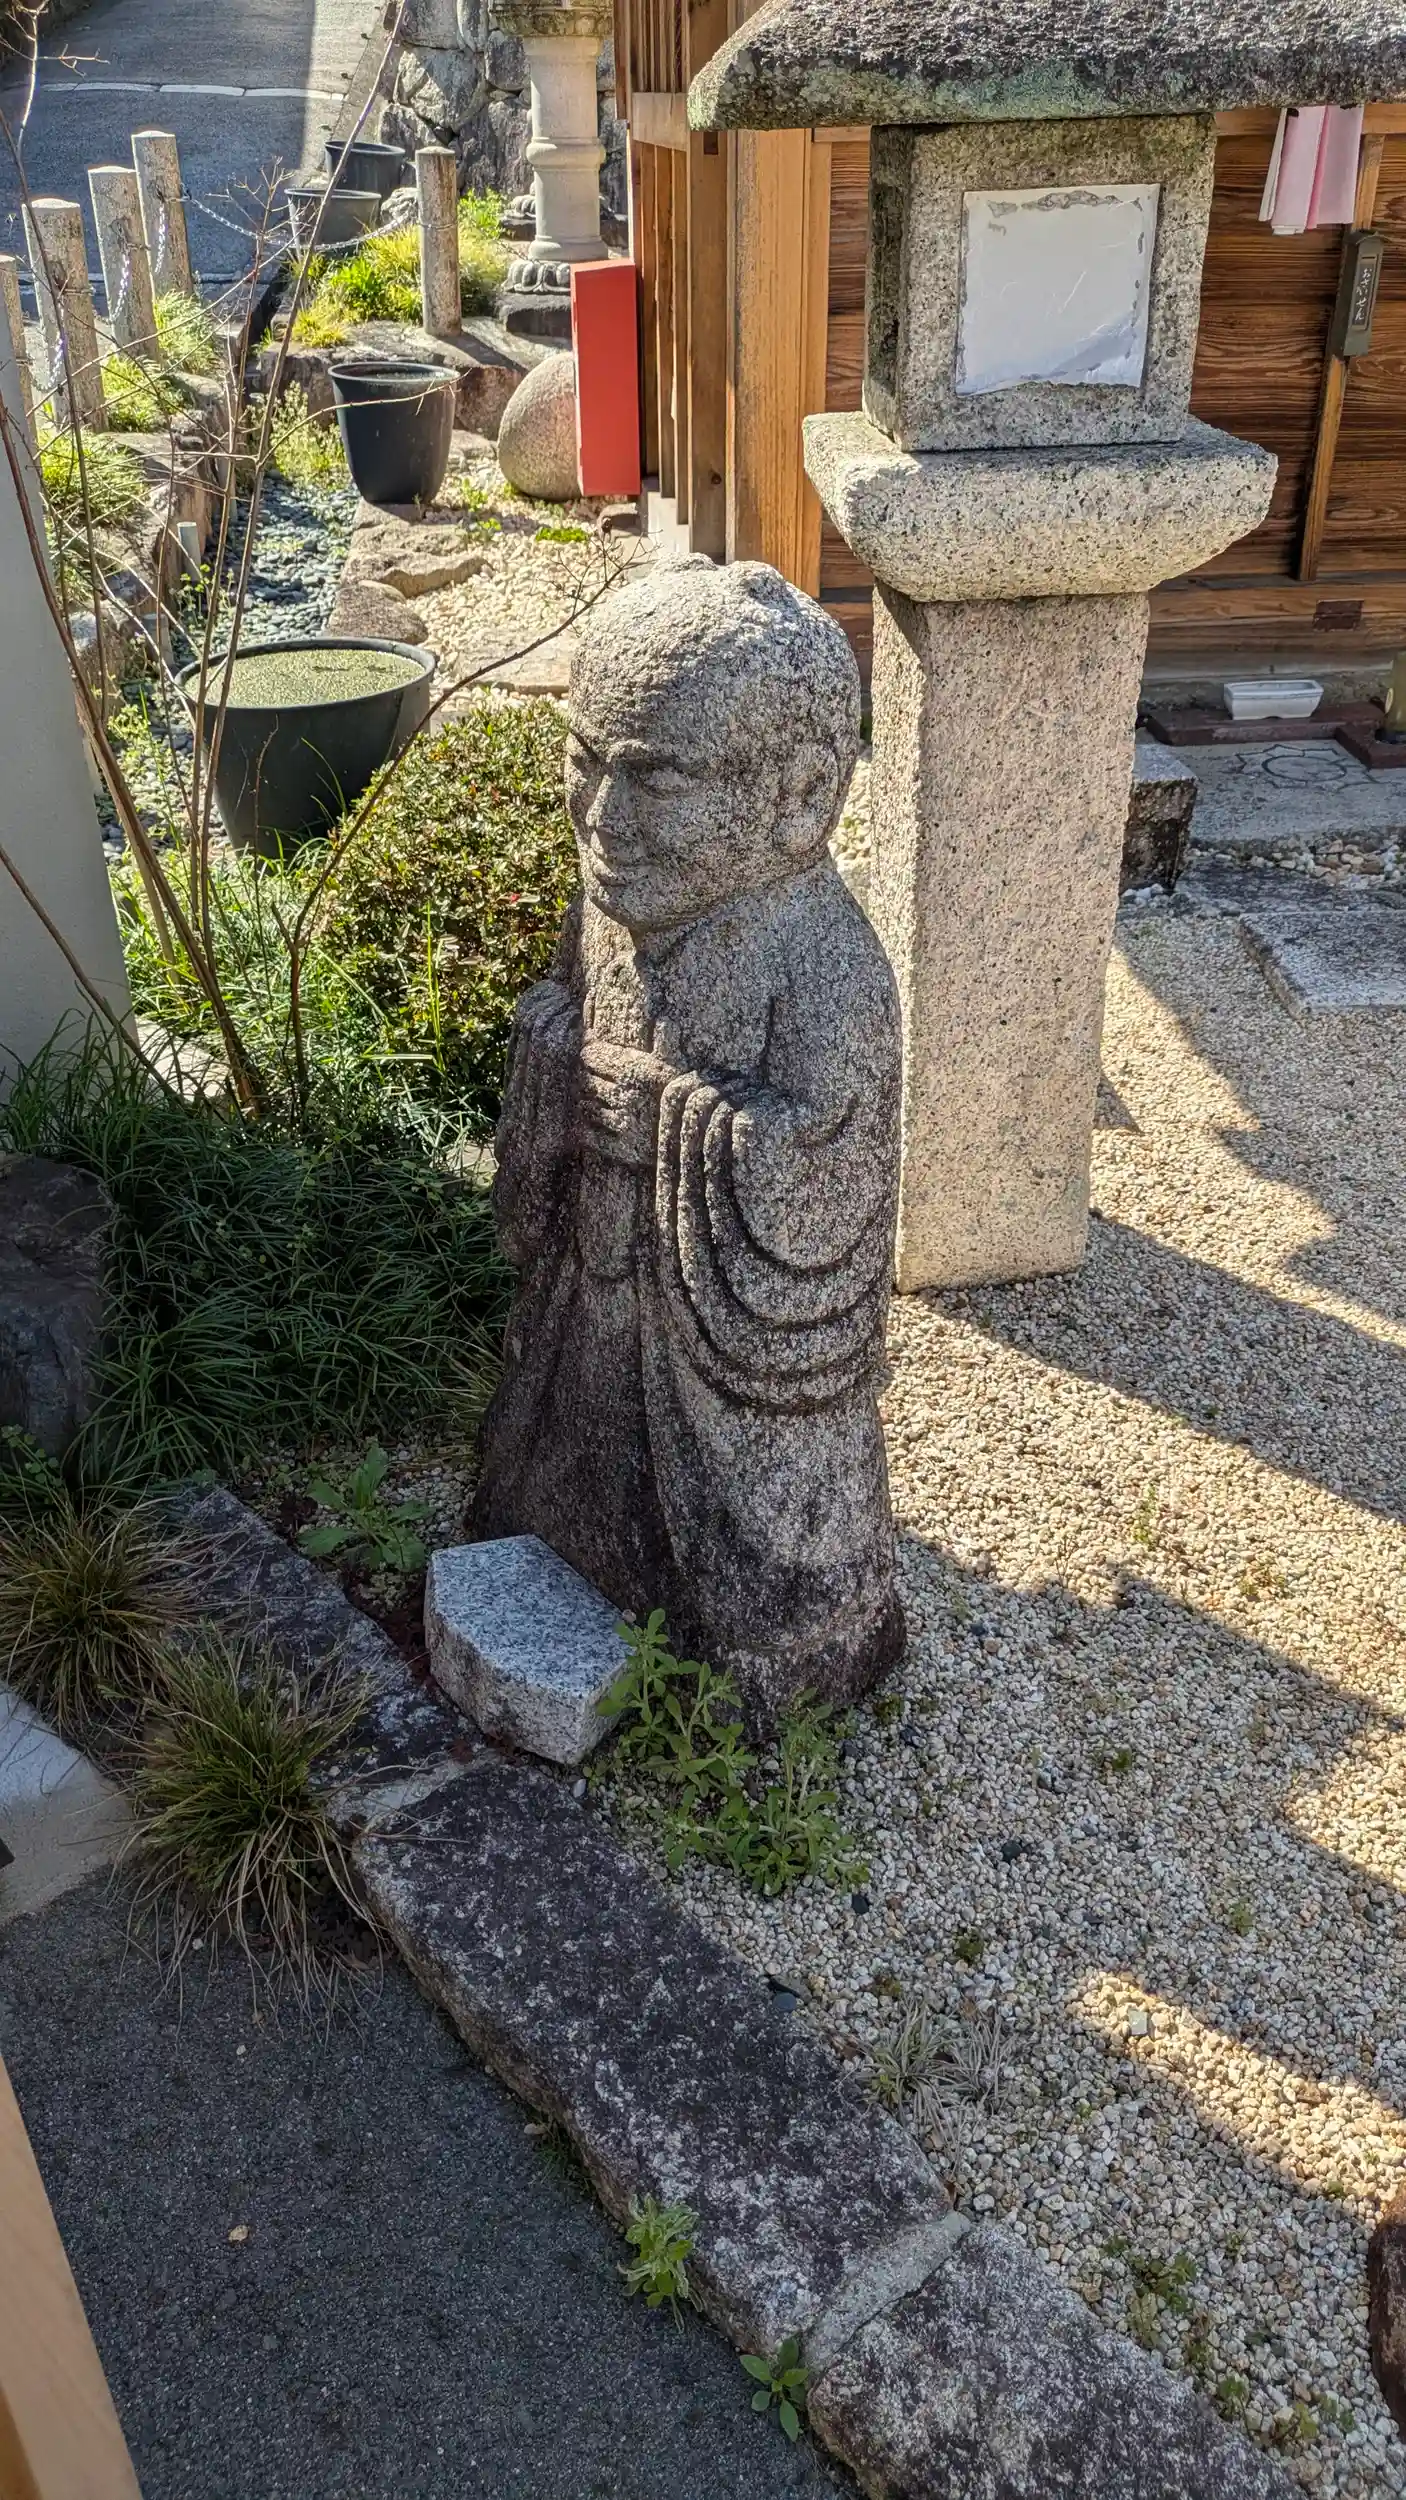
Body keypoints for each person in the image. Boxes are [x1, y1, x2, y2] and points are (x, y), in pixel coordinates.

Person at [472, 557, 904, 1723]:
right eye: (585, 759)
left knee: (758, 1585)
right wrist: (554, 1072)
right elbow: (562, 1017)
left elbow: (828, 1169)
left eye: (654, 779)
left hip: (718, 1375)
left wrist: (663, 1119)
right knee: (552, 1454)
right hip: (594, 1301)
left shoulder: (825, 967)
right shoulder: (608, 898)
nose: (601, 816)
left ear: (800, 795)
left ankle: (764, 1657)